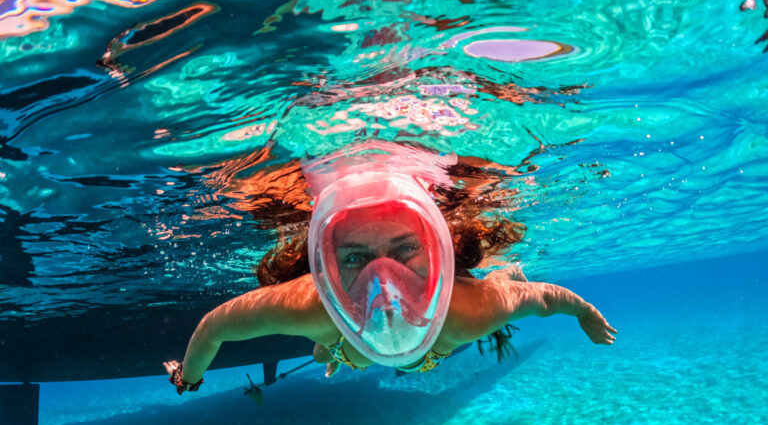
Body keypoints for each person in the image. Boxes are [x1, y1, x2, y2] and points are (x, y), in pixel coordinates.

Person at [163, 141, 616, 393]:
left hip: (420, 347)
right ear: (327, 268)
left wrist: (585, 312)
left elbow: (543, 297)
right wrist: (189, 377)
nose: (385, 285)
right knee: (325, 352)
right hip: (341, 342)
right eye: (355, 258)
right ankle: (334, 354)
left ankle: (504, 272)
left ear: (437, 251)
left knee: (500, 282)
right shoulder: (312, 307)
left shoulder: (470, 310)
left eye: (404, 252)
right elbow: (214, 326)